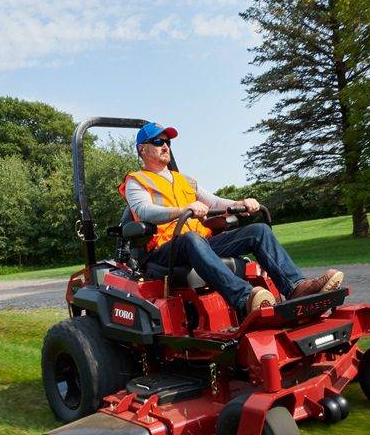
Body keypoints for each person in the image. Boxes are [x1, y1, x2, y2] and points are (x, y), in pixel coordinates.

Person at [118, 121, 344, 316]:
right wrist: (183, 210)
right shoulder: (137, 181)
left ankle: (296, 288)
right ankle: (245, 299)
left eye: (167, 142)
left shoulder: (183, 180)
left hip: (199, 243)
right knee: (192, 239)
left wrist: (239, 205)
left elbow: (215, 202)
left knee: (259, 231)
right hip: (165, 251)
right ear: (142, 149)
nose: (165, 146)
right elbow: (144, 210)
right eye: (158, 142)